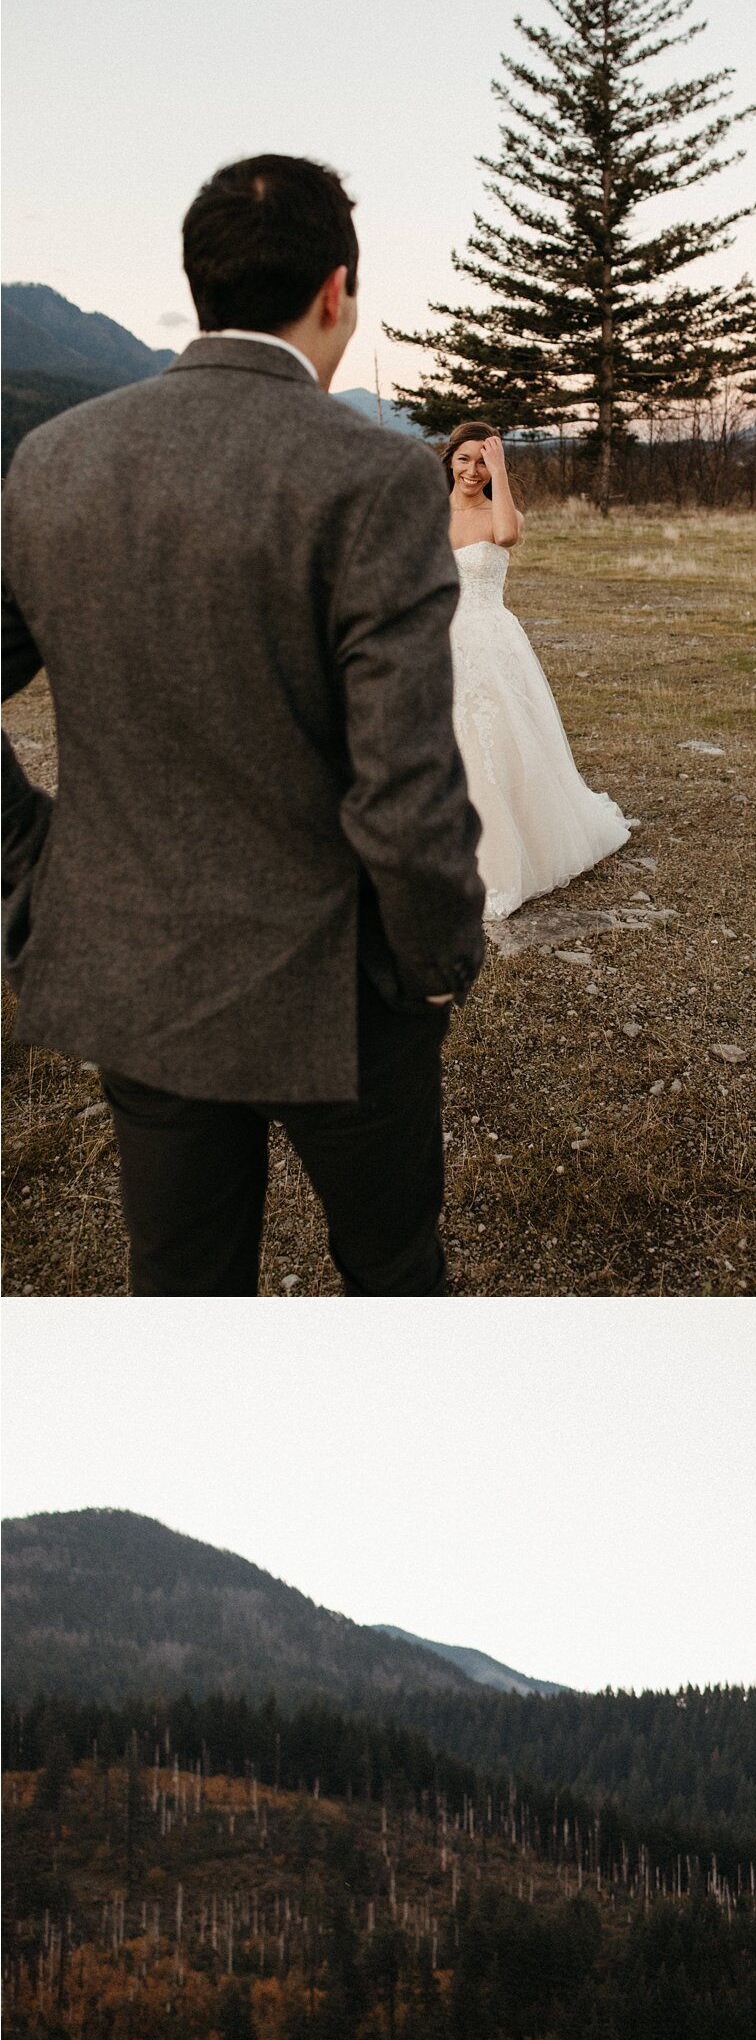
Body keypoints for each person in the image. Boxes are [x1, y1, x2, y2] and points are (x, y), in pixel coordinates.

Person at [1, 154, 486, 1295]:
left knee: (179, 1289)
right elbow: (406, 783)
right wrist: (437, 964)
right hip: (348, 993)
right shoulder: (371, 476)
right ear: (335, 290)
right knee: (393, 1275)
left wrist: (34, 862)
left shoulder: (49, 461)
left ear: (203, 284)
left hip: (140, 974)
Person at [438, 423, 630, 918]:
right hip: (440, 638)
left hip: (490, 639)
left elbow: (506, 535)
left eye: (482, 461)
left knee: (496, 740)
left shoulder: (500, 511)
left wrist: (499, 473)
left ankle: (505, 852)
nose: (472, 471)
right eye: (464, 460)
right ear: (449, 462)